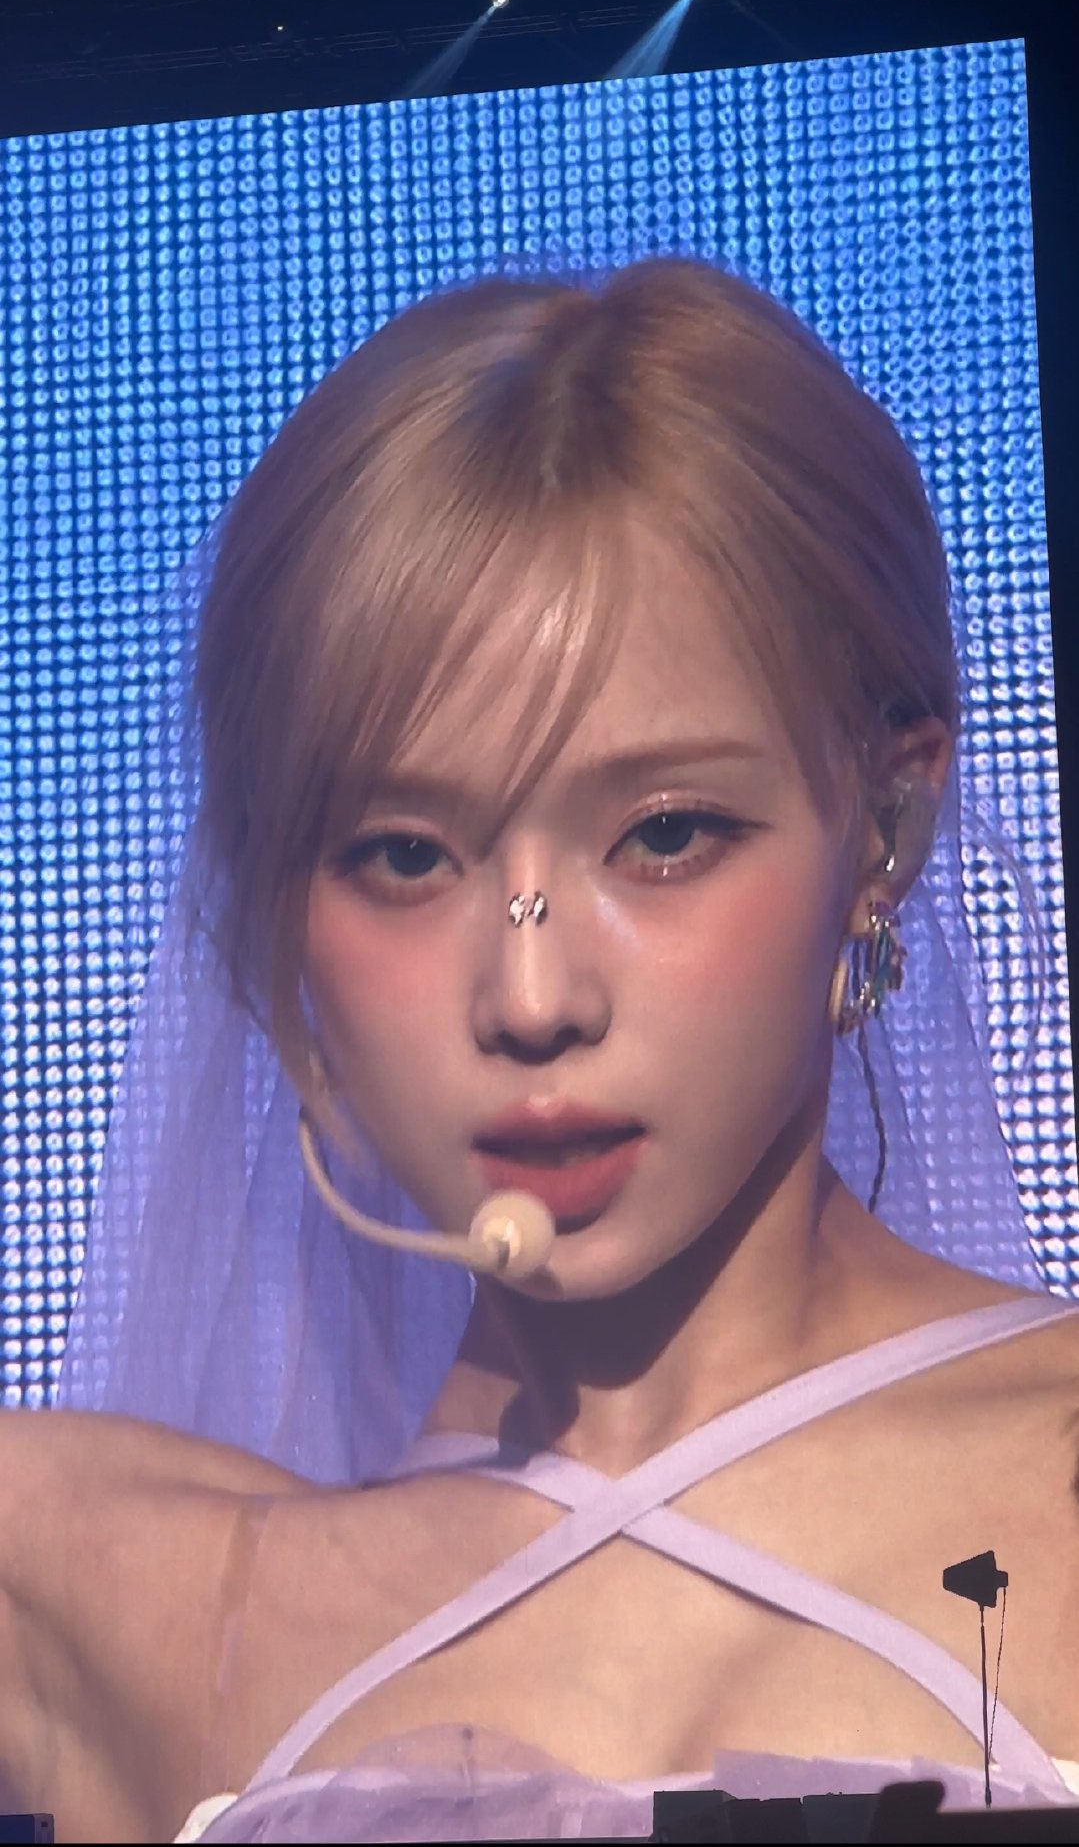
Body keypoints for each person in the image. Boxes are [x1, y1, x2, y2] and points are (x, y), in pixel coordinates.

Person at [1, 256, 1077, 1844]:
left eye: (664, 833)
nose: (529, 995)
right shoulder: (106, 1583)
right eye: (403, 854)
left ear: (887, 824)